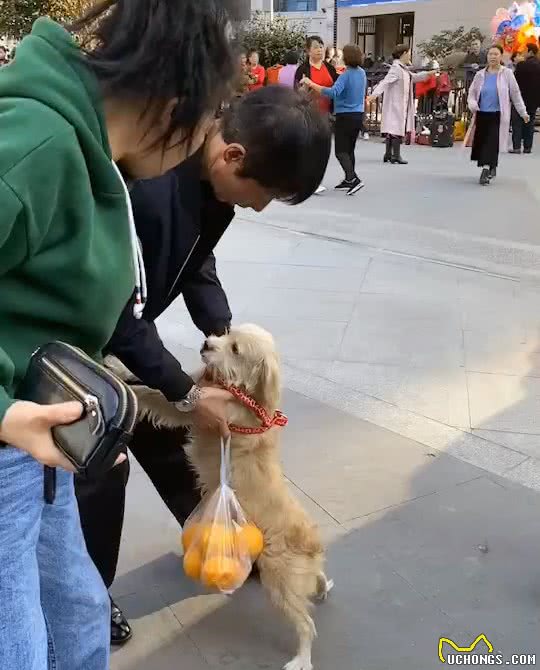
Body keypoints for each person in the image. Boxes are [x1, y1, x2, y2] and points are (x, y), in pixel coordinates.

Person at [0, 0, 238, 667]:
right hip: (9, 441)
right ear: (177, 101)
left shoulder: (92, 158)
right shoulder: (36, 144)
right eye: (210, 118)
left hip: (36, 444)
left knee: (77, 612)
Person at [75, 85, 332, 644]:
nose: (255, 208)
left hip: (127, 331)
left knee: (178, 442)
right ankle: (89, 601)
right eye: (259, 196)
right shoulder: (149, 184)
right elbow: (114, 308)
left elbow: (198, 263)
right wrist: (185, 391)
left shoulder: (214, 188)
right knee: (100, 469)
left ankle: (223, 541)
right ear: (232, 156)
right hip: (84, 340)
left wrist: (222, 333)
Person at [303, 44, 367, 195]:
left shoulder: (346, 75)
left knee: (340, 151)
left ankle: (354, 179)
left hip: (345, 115)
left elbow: (333, 92)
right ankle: (348, 179)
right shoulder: (362, 73)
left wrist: (311, 84)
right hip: (358, 114)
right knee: (349, 149)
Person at [466, 44, 528, 185]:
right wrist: (473, 104)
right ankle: (492, 166)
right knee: (483, 144)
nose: (492, 57)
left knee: (491, 142)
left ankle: (486, 170)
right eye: (490, 54)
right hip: (482, 114)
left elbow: (515, 94)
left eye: (495, 54)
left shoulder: (507, 74)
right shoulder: (480, 75)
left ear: (501, 56)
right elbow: (472, 94)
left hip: (498, 115)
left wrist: (523, 112)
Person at [366, 44, 434, 165]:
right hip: (395, 103)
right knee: (396, 128)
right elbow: (385, 82)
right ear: (403, 54)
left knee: (393, 128)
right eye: (408, 53)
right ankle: (395, 155)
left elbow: (413, 77)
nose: (410, 55)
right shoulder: (396, 68)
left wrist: (428, 74)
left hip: (400, 102)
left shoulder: (403, 68)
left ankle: (388, 154)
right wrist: (374, 94)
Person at [295, 35, 338, 193]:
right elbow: (298, 93)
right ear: (308, 51)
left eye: (321, 46)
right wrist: (303, 89)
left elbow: (337, 87)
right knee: (311, 149)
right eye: (315, 47)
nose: (319, 50)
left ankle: (314, 180)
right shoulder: (303, 70)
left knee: (323, 150)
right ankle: (309, 182)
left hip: (327, 114)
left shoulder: (330, 68)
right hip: (309, 115)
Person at [510, 43, 540, 154]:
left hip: (521, 99)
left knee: (517, 122)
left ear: (530, 52)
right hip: (534, 100)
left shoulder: (522, 65)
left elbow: (515, 83)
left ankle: (516, 147)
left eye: (524, 50)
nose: (522, 52)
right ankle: (528, 147)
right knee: (530, 123)